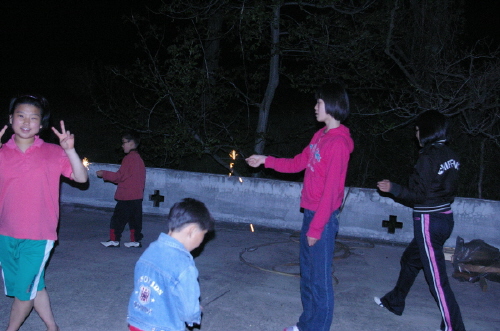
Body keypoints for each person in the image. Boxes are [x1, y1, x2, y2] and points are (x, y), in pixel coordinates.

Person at [246, 83, 354, 331]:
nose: (315, 107)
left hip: (323, 220)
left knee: (320, 281)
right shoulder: (320, 136)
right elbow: (298, 163)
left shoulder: (337, 144)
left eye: (319, 103)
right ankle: (306, 325)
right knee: (307, 276)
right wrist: (266, 160)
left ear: (332, 105)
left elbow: (331, 193)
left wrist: (316, 229)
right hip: (311, 215)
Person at [0, 94, 88, 331]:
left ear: (40, 125)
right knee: (33, 285)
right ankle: (52, 327)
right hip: (5, 233)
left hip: (39, 234)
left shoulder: (52, 152)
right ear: (10, 119)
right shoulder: (1, 153)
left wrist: (69, 150)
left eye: (33, 118)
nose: (26, 122)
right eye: (20, 116)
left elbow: (81, 178)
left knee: (24, 292)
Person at [374, 110, 466, 331]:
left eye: (417, 129)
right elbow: (445, 191)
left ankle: (454, 327)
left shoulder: (428, 157)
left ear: (427, 130)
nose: (415, 134)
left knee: (437, 279)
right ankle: (395, 301)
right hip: (444, 219)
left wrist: (393, 188)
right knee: (410, 260)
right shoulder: (452, 156)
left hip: (429, 221)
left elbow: (418, 196)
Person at [127, 198, 214, 331]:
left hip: (137, 322)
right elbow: (189, 310)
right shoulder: (184, 265)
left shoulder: (151, 249)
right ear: (192, 231)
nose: (202, 241)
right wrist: (194, 313)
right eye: (203, 235)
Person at [97, 132, 146, 248]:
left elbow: (119, 176)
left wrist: (103, 173)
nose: (122, 145)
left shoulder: (129, 158)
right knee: (134, 220)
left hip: (127, 197)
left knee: (118, 219)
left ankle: (114, 240)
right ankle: (135, 241)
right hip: (137, 196)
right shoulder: (139, 159)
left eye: (124, 143)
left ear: (131, 143)